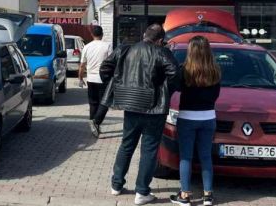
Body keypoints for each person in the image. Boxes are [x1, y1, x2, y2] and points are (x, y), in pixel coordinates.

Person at [100, 24, 179, 206]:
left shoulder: (125, 49)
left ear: (144, 35)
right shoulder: (161, 52)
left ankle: (116, 185)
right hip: (154, 108)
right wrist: (165, 92)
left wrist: (119, 85)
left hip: (131, 104)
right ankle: (142, 192)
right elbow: (175, 73)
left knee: (127, 144)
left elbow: (105, 68)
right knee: (149, 149)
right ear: (160, 40)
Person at [170, 36, 221, 206]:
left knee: (186, 157)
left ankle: (185, 196)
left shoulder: (184, 70)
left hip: (187, 117)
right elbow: (216, 95)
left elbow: (175, 87)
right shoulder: (215, 70)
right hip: (208, 117)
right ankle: (208, 195)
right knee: (206, 157)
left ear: (190, 51)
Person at [78, 25, 113, 138]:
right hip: (103, 79)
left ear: (92, 35)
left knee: (93, 103)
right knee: (104, 103)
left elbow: (82, 65)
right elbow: (111, 63)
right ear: (102, 35)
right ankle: (96, 122)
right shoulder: (107, 46)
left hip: (91, 79)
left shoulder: (87, 47)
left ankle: (94, 125)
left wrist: (80, 78)